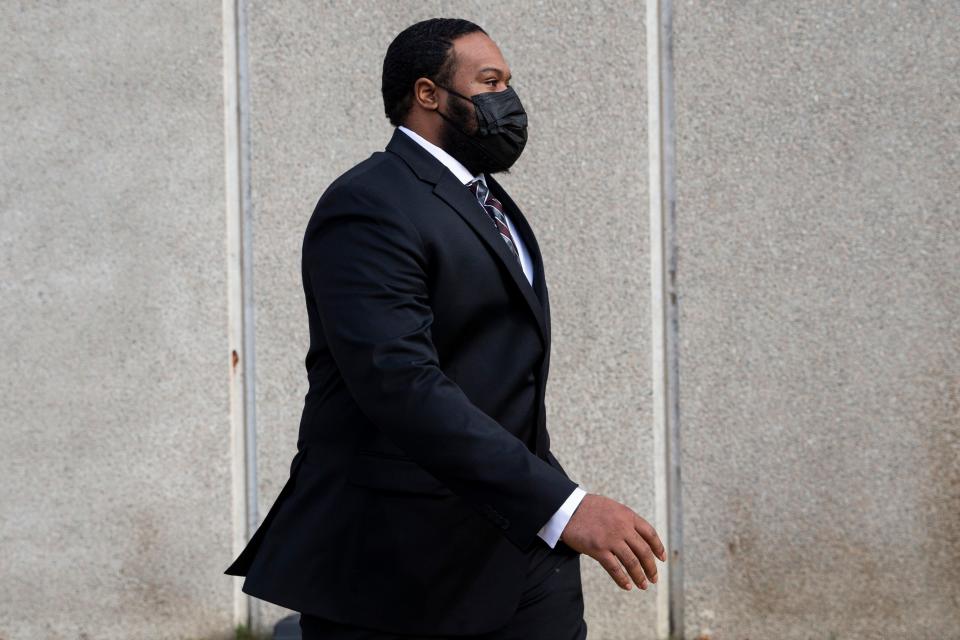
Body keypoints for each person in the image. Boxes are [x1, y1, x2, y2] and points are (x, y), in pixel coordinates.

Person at [224, 17, 666, 640]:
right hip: (396, 562)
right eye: (489, 82)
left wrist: (544, 502)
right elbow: (399, 381)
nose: (506, 100)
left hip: (517, 546)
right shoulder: (369, 203)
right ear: (428, 93)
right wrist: (566, 507)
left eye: (509, 82)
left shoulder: (485, 199)